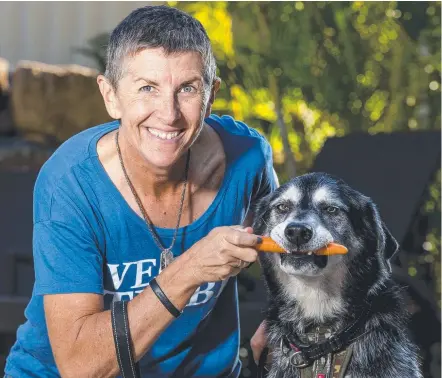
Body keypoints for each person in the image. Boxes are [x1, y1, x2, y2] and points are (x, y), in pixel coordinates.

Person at [4, 5, 276, 377]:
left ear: (211, 95)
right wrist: (188, 270)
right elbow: (81, 368)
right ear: (110, 95)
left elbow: (280, 247)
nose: (168, 114)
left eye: (187, 89)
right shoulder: (70, 183)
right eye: (147, 88)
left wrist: (280, 314)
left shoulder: (248, 158)